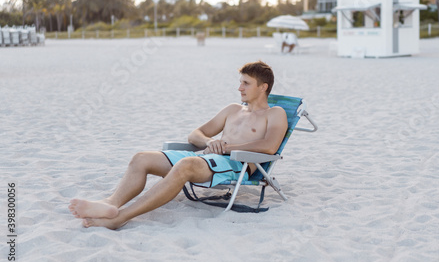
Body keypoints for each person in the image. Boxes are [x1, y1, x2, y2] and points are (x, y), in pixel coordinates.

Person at [68, 61, 288, 230]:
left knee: (185, 165)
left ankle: (121, 217)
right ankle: (111, 203)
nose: (239, 87)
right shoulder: (233, 109)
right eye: (240, 82)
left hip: (236, 164)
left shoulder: (275, 113)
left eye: (245, 83)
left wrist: (227, 147)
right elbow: (195, 134)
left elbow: (269, 147)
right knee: (141, 158)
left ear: (263, 87)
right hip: (209, 158)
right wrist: (211, 141)